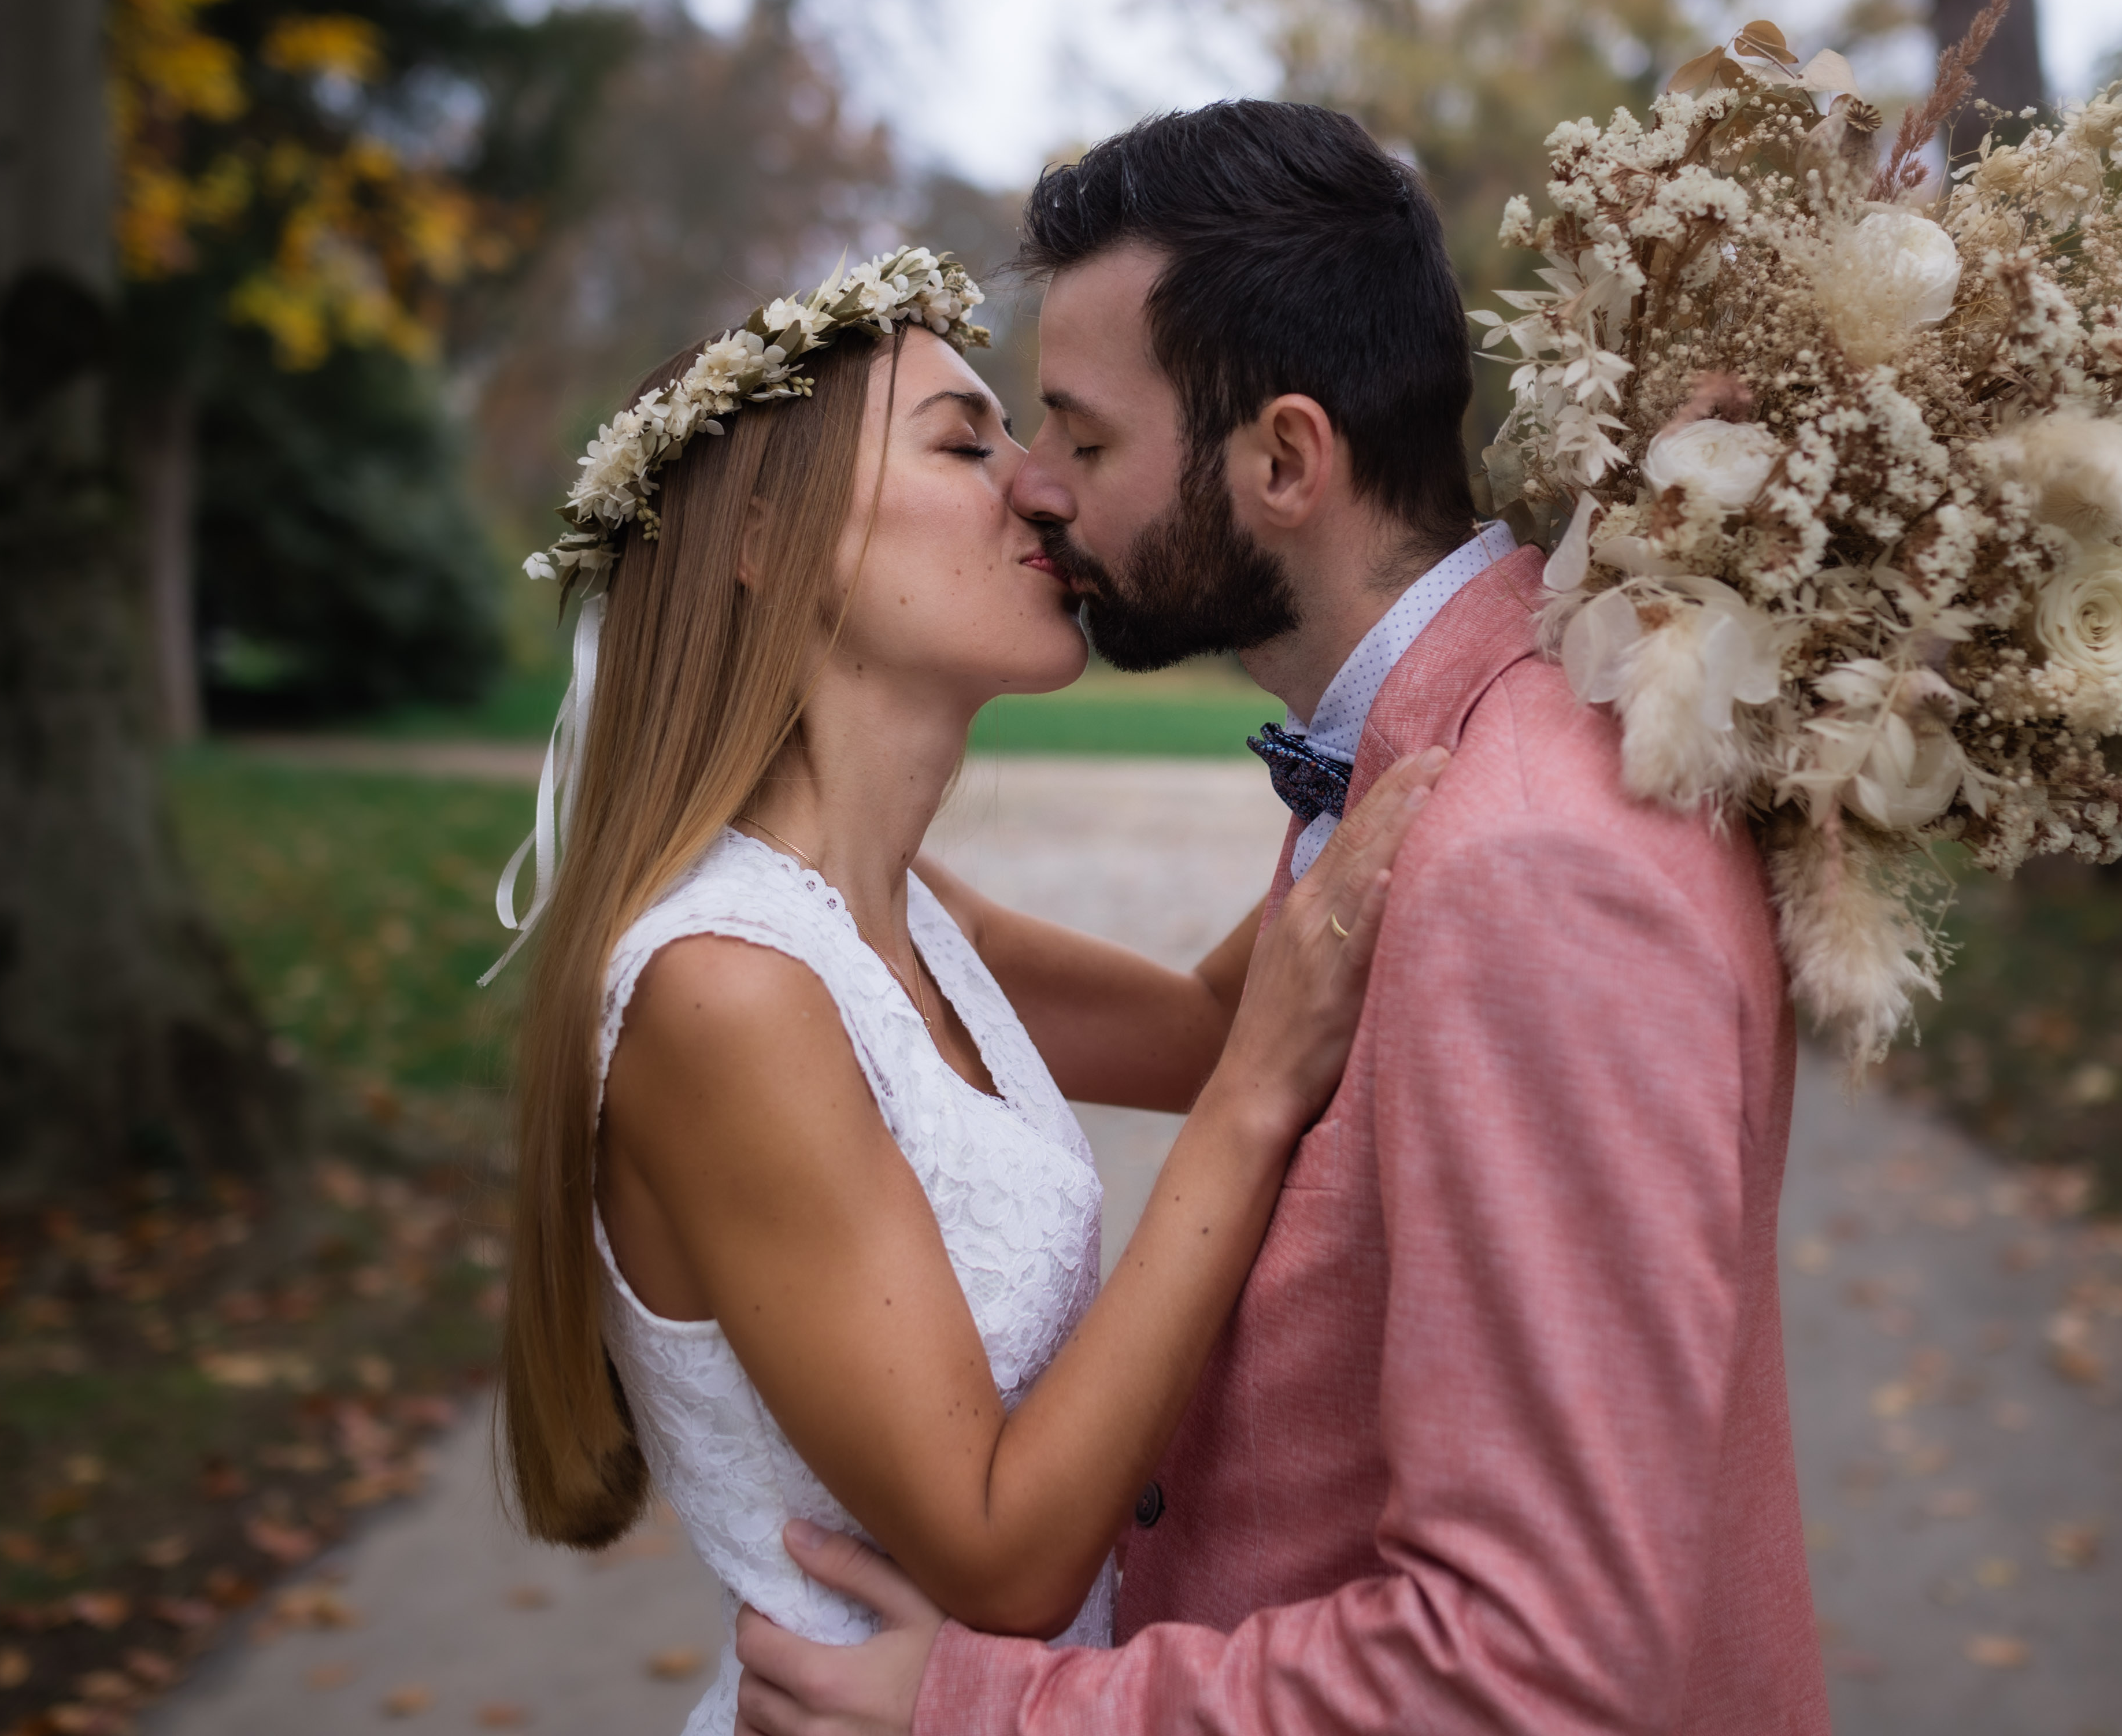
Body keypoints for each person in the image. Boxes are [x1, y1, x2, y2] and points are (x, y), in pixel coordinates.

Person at [734, 105, 1831, 1734]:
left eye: (1086, 443)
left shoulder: (1531, 856)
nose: (1036, 491)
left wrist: (998, 1714)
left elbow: (1536, 1664)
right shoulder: (1429, 757)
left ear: (1286, 462)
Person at [490, 247, 1450, 1736]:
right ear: (765, 539)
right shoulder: (724, 993)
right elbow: (1004, 1554)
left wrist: (1461, 681)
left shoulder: (911, 920)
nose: (1039, 486)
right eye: (965, 441)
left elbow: (1206, 1030)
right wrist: (1255, 1104)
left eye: (1027, 436)